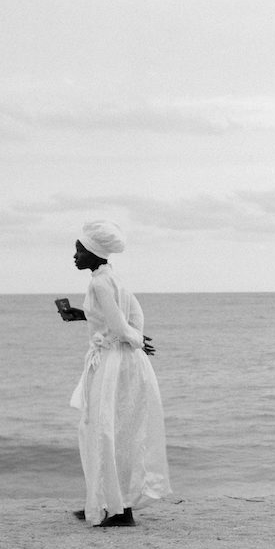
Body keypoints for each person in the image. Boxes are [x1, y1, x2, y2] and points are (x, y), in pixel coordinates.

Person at [61, 220, 172, 528]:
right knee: (117, 432)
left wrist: (136, 340)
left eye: (79, 250)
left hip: (112, 364)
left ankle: (120, 510)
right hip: (123, 361)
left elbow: (122, 325)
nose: (74, 256)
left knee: (103, 431)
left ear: (93, 253)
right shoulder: (112, 278)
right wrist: (86, 317)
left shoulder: (98, 283)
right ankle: (104, 500)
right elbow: (133, 316)